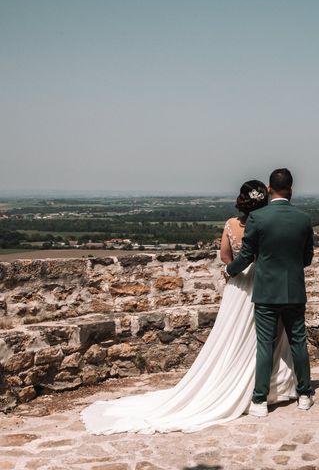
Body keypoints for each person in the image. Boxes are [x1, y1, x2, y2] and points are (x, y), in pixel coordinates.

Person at [80, 180, 298, 434]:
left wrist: (234, 270)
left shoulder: (231, 225)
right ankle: (270, 385)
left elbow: (226, 257)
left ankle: (232, 380)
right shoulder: (268, 223)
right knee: (266, 337)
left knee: (233, 338)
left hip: (238, 287)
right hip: (265, 284)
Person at [224, 168, 315, 418]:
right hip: (294, 290)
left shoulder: (258, 218)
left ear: (269, 189)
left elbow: (246, 256)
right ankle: (305, 394)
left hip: (265, 292)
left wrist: (229, 271)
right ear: (291, 189)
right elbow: (306, 258)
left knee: (264, 344)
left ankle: (260, 401)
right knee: (299, 342)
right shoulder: (303, 219)